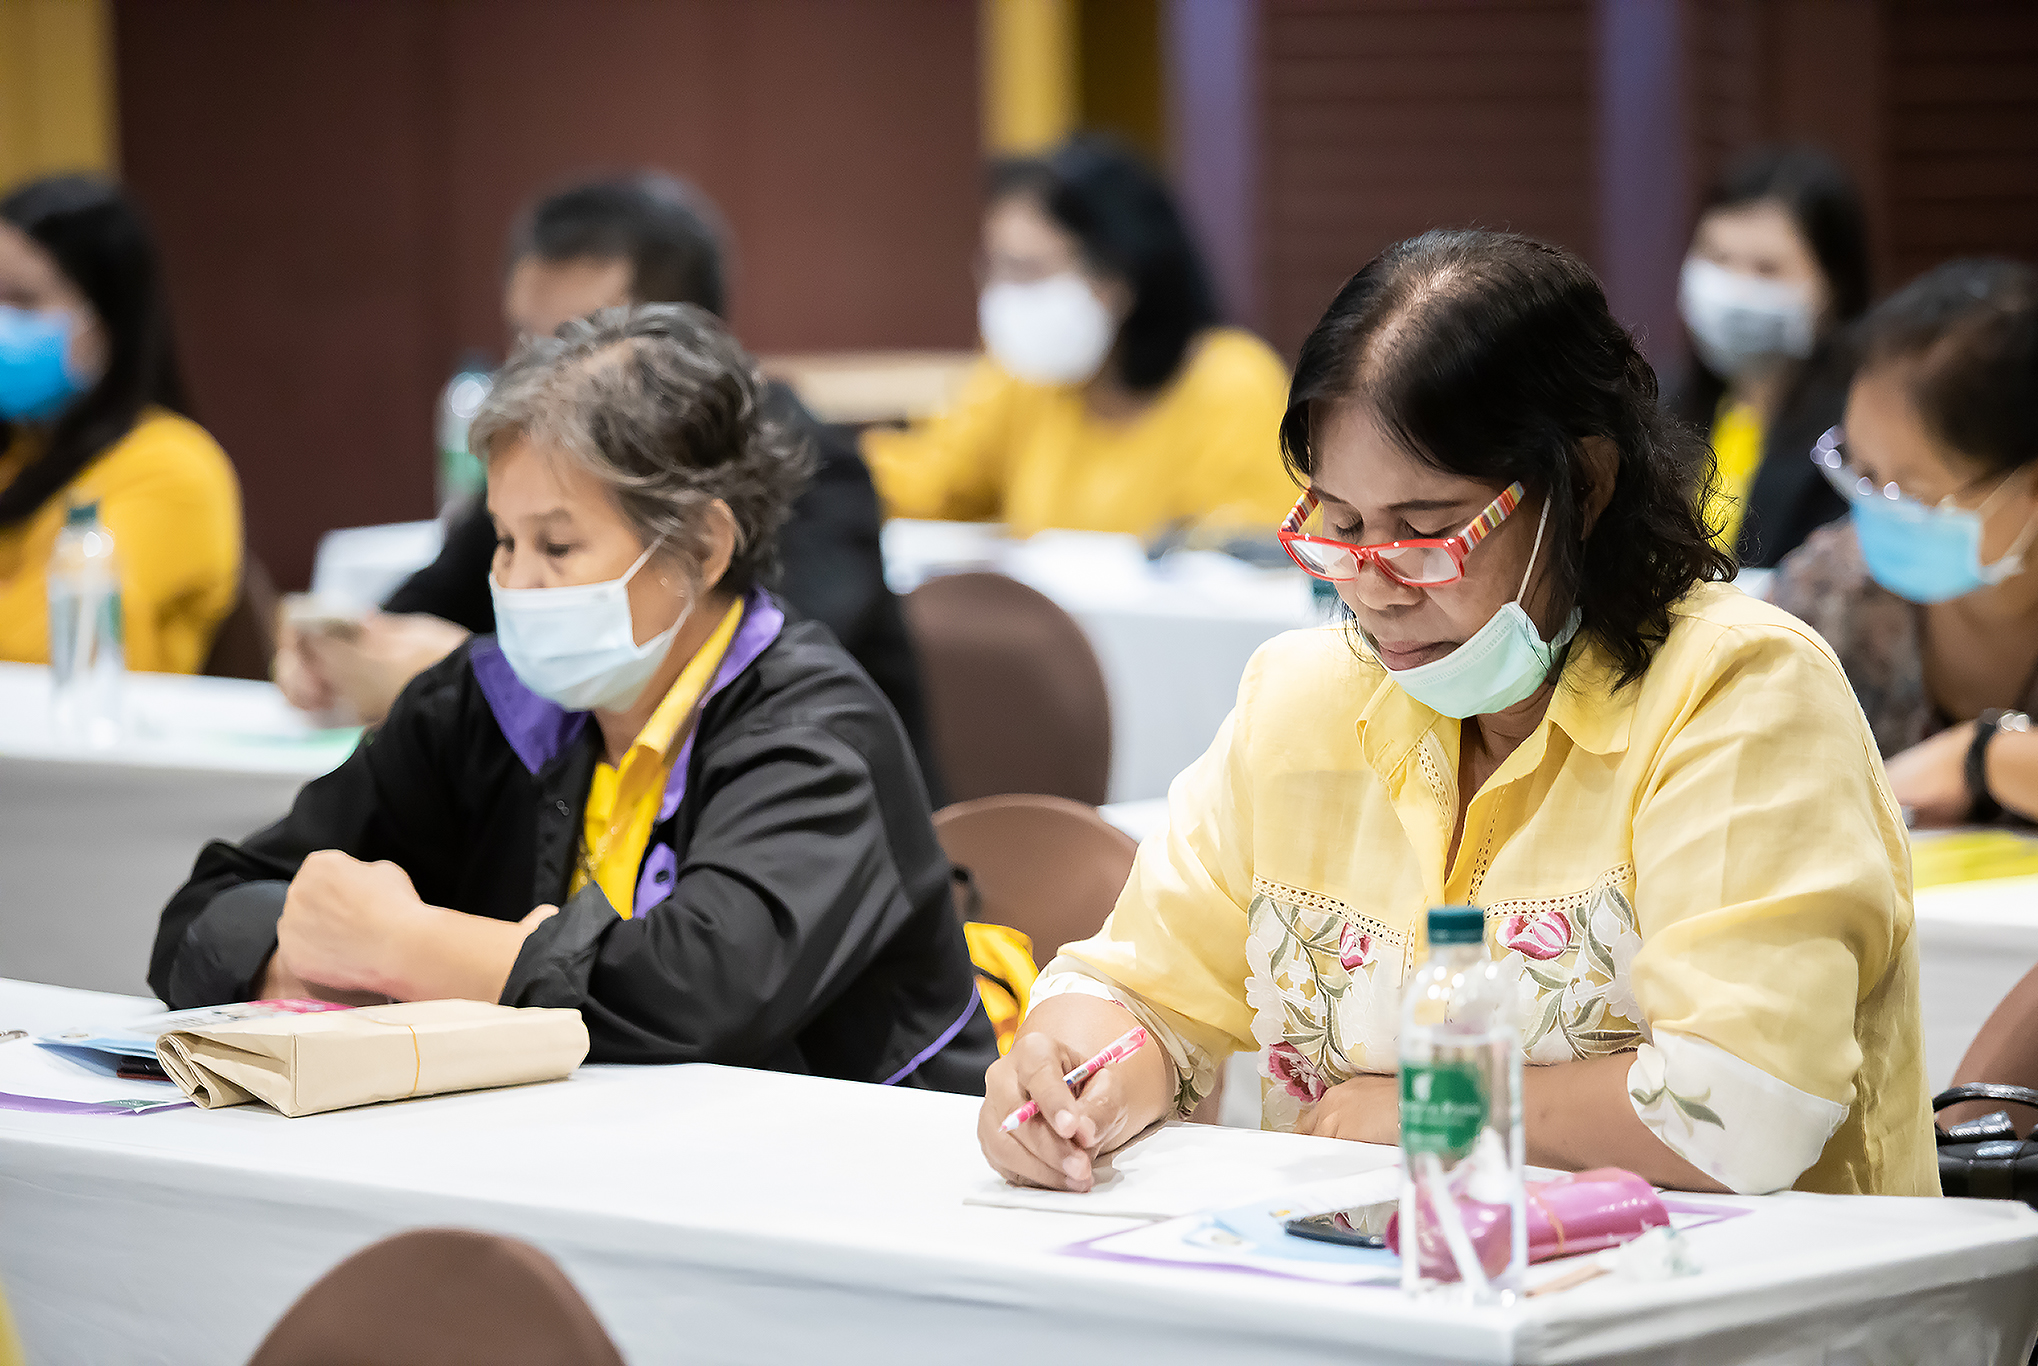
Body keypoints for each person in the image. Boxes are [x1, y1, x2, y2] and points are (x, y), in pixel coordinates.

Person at [978, 229, 1937, 1199]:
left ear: (1585, 485)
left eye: (1427, 533)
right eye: (1341, 527)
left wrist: (1434, 1107)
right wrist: (1069, 1079)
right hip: (1361, 1276)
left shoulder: (1737, 693)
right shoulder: (1301, 700)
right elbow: (1144, 993)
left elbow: (1744, 1108)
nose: (1376, 587)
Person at [153, 304, 994, 1087]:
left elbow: (700, 995)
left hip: (844, 1164)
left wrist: (408, 947)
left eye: (557, 546)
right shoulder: (483, 702)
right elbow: (207, 910)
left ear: (702, 547)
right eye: (504, 542)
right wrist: (318, 965)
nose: (516, 583)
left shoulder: (816, 734)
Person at [278, 174, 938, 799]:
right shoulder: (544, 467)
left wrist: (474, 679)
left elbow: (756, 679)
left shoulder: (808, 465)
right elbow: (427, 604)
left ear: (679, 343)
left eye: (572, 340)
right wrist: (341, 655)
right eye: (523, 340)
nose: (533, 375)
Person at [863, 135, 1296, 539]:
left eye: (1025, 269)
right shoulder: (1023, 378)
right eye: (994, 267)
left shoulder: (1229, 384)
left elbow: (1250, 553)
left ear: (1117, 278)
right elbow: (927, 483)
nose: (1002, 292)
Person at [1770, 260, 2038, 828]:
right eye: (1858, 470)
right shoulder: (1832, 593)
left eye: (1907, 492)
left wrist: (1985, 758)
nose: (1873, 508)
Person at [0, 175, 241, 672]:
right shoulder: (18, 451)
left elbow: (58, 645)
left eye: (22, 300)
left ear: (106, 320)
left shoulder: (172, 467)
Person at [1672, 145, 1870, 567]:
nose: (1735, 289)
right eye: (1718, 258)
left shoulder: (1859, 436)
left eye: (1767, 269)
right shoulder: (1659, 406)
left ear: (1833, 288)